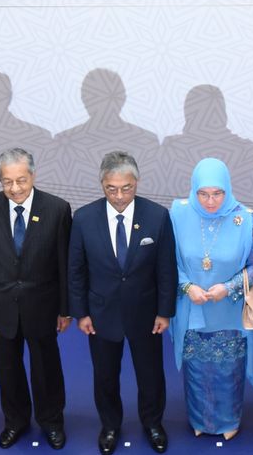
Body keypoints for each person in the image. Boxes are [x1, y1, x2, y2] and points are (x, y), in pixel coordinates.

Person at [67, 151, 178, 455]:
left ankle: (153, 423)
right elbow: (75, 270)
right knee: (104, 376)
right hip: (101, 314)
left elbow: (166, 269)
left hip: (146, 313)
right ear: (102, 184)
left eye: (126, 188)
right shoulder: (85, 218)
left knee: (151, 375)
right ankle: (110, 425)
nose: (119, 196)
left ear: (137, 183)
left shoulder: (157, 216)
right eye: (111, 188)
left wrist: (165, 311)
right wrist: (81, 313)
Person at [0, 148, 72, 450]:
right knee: (8, 368)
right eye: (7, 182)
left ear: (33, 176)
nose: (14, 189)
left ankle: (51, 421)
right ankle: (15, 421)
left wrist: (65, 309)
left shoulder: (57, 209)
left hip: (43, 305)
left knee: (46, 368)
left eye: (21, 181)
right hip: (1, 305)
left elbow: (64, 265)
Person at [168, 158, 253, 440]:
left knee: (228, 370)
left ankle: (228, 421)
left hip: (230, 307)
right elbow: (165, 260)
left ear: (227, 189)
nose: (210, 201)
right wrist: (186, 287)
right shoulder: (178, 214)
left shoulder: (247, 218)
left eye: (217, 193)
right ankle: (199, 419)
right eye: (203, 194)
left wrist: (230, 286)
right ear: (194, 190)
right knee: (196, 370)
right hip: (193, 307)